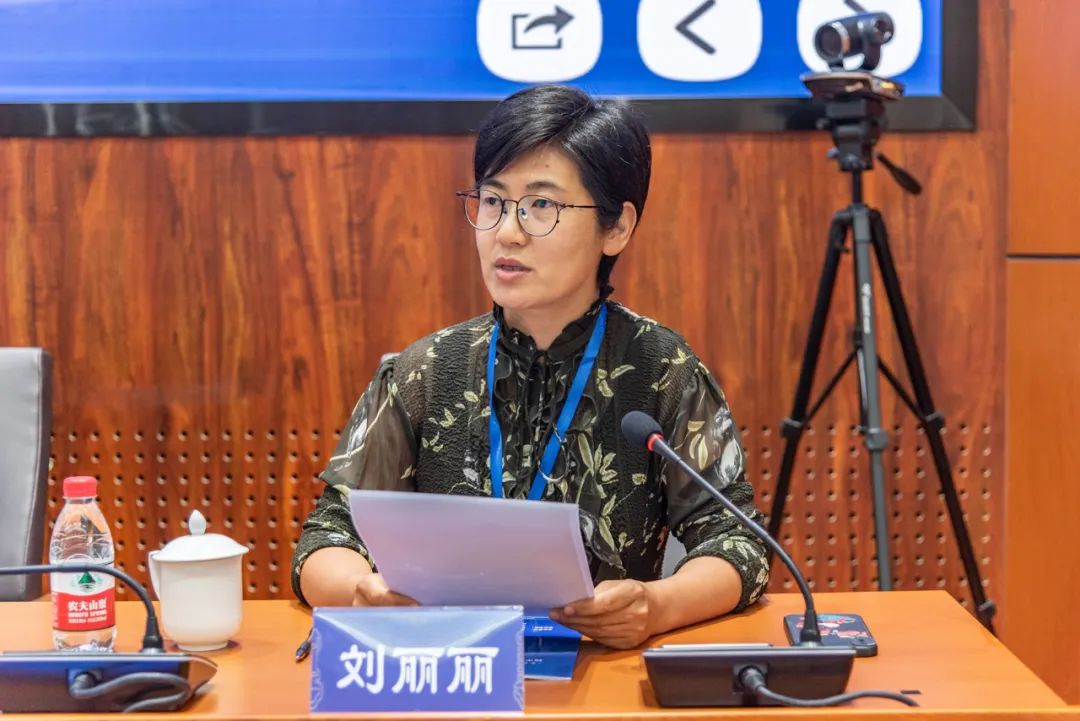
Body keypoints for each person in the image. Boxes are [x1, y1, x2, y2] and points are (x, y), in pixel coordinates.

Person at [291, 85, 769, 650]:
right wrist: (360, 592)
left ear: (616, 227)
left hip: (601, 672)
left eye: (542, 206)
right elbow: (326, 537)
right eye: (493, 202)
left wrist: (656, 607)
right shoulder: (425, 370)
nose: (507, 232)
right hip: (450, 669)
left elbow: (737, 542)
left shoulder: (661, 367)